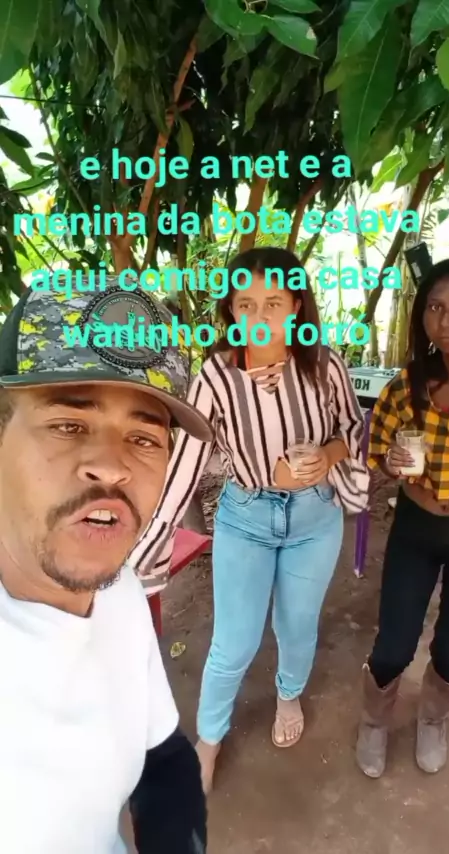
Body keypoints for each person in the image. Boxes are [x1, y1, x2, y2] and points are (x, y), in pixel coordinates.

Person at [129, 247, 369, 793]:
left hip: (315, 518)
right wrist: (154, 536)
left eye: (274, 303)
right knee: (233, 642)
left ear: (297, 307)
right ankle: (209, 739)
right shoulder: (216, 376)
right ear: (231, 310)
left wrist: (326, 457)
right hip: (246, 517)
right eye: (246, 304)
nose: (259, 318)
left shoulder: (324, 364)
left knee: (296, 625)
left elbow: (353, 430)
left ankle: (289, 695)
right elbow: (187, 462)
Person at [0, 279, 213, 853]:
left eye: (144, 437)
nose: (113, 467)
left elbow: (163, 756)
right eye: (69, 425)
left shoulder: (119, 590)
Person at [356, 256, 449, 779]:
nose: (445, 321)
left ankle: (433, 718)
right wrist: (391, 461)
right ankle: (374, 720)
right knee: (395, 641)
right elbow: (379, 452)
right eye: (434, 307)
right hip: (416, 527)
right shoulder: (407, 386)